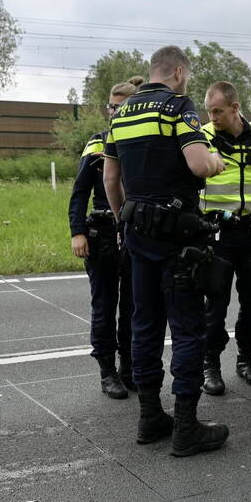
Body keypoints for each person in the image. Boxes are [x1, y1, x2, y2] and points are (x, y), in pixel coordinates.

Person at [102, 45, 231, 458]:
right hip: (179, 239)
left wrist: (125, 217)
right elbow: (197, 164)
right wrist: (215, 161)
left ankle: (149, 417)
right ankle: (187, 427)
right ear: (178, 71)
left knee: (145, 328)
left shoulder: (121, 113)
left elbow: (110, 178)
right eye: (187, 77)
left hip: (138, 235)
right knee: (188, 328)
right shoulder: (178, 106)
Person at [199, 81, 251, 395]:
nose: (212, 116)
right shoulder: (203, 136)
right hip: (217, 233)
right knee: (215, 303)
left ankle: (246, 358)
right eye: (209, 110)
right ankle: (211, 364)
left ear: (235, 107)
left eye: (218, 110)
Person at [68, 78, 139, 399]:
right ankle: (107, 372)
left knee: (133, 307)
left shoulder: (141, 145)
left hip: (134, 234)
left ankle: (129, 368)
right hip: (102, 233)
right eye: (111, 107)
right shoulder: (98, 143)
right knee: (104, 305)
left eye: (120, 107)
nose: (113, 112)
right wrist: (77, 232)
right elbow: (80, 191)